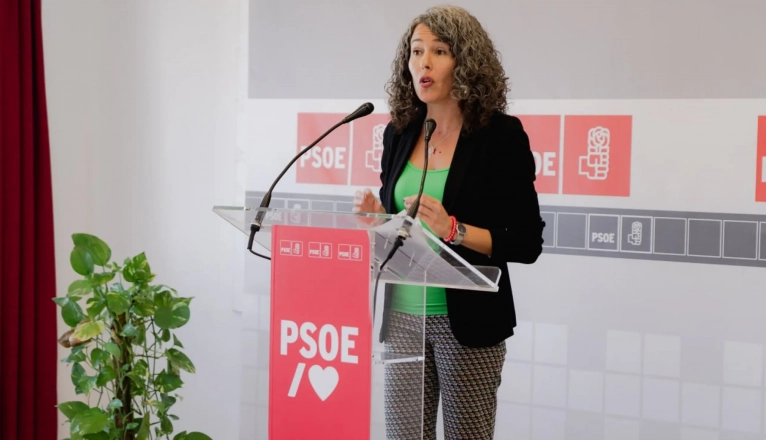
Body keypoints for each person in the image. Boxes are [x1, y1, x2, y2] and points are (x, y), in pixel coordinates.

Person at [353, 5, 545, 440]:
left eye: (439, 51)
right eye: (416, 51)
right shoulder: (400, 132)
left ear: (466, 62)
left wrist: (453, 230)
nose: (424, 62)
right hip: (403, 317)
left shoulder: (500, 137)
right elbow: (403, 227)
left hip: (469, 322)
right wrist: (377, 221)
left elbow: (526, 242)